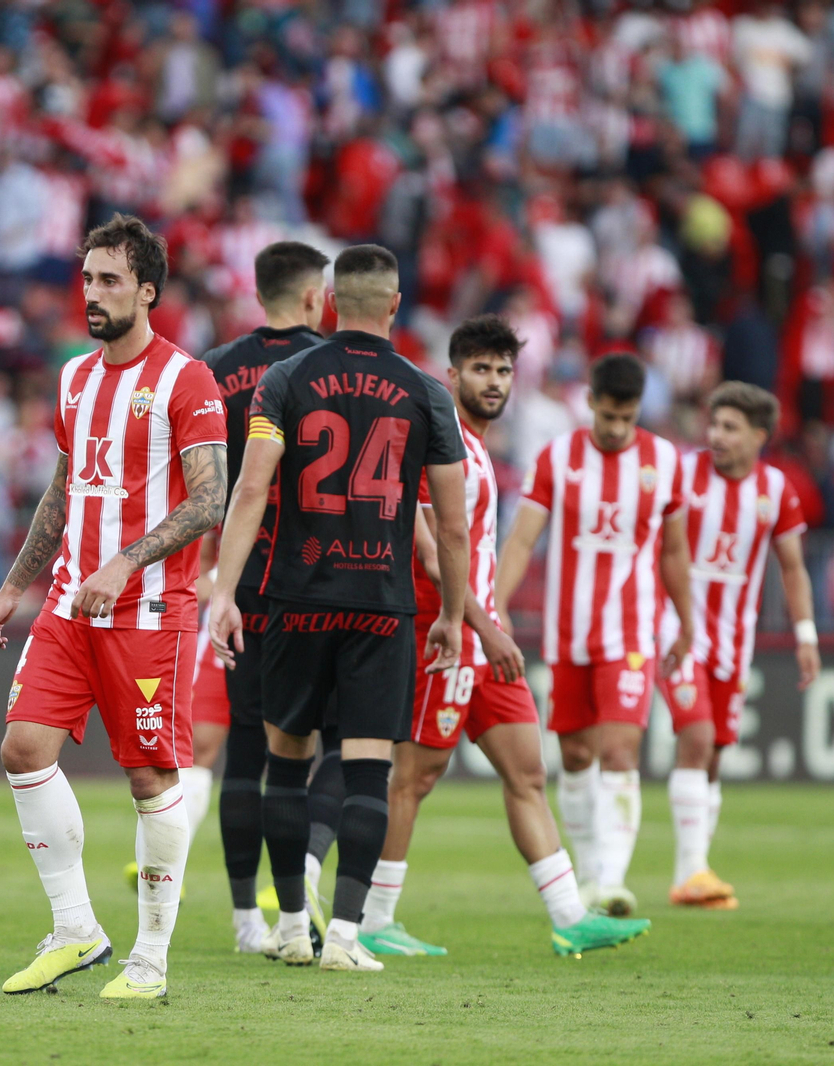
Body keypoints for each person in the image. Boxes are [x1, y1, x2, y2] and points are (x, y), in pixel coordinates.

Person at [0, 215, 227, 1000]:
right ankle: (77, 929)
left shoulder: (187, 380)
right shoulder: (74, 378)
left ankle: (150, 958)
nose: (94, 293)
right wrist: (16, 585)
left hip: (149, 613)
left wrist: (127, 559)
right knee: (23, 748)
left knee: (150, 778)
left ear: (148, 290)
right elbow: (64, 486)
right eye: (87, 278)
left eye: (111, 280)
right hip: (68, 607)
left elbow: (211, 498)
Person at [355, 315, 651, 959]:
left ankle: (570, 915)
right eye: (481, 369)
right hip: (447, 634)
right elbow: (432, 553)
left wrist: (492, 620)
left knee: (527, 771)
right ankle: (374, 918)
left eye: (503, 370)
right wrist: (483, 627)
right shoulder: (442, 442)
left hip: (482, 635)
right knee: (415, 776)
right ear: (453, 374)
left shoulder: (478, 444)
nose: (494, 382)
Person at [209, 244, 469, 972]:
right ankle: (346, 938)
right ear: (393, 304)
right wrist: (451, 613)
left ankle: (292, 926)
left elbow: (251, 491)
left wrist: (225, 591)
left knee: (284, 766)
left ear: (331, 302)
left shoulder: (287, 380)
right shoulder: (426, 393)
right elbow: (450, 525)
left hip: (294, 599)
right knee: (365, 771)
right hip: (381, 606)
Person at [494, 354, 695, 918]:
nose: (615, 428)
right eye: (608, 415)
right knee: (577, 755)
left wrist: (688, 621)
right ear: (591, 403)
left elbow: (675, 552)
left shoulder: (664, 462)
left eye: (626, 418)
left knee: (619, 750)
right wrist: (500, 603)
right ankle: (588, 874)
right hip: (568, 634)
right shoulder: (557, 458)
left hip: (632, 630)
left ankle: (611, 879)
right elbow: (522, 540)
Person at [177, 240, 332, 954]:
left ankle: (247, 923)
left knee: (244, 748)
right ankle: (301, 909)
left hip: (237, 581)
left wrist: (210, 573)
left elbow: (198, 487)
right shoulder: (333, 368)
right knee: (316, 750)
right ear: (311, 296)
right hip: (318, 582)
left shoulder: (215, 369)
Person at [659, 382, 818, 910]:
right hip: (676, 631)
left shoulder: (776, 489)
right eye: (714, 424)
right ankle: (691, 872)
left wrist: (805, 635)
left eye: (730, 427)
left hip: (733, 641)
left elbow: (792, 569)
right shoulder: (681, 472)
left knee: (716, 754)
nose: (716, 436)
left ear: (759, 436)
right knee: (698, 737)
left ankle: (697, 870)